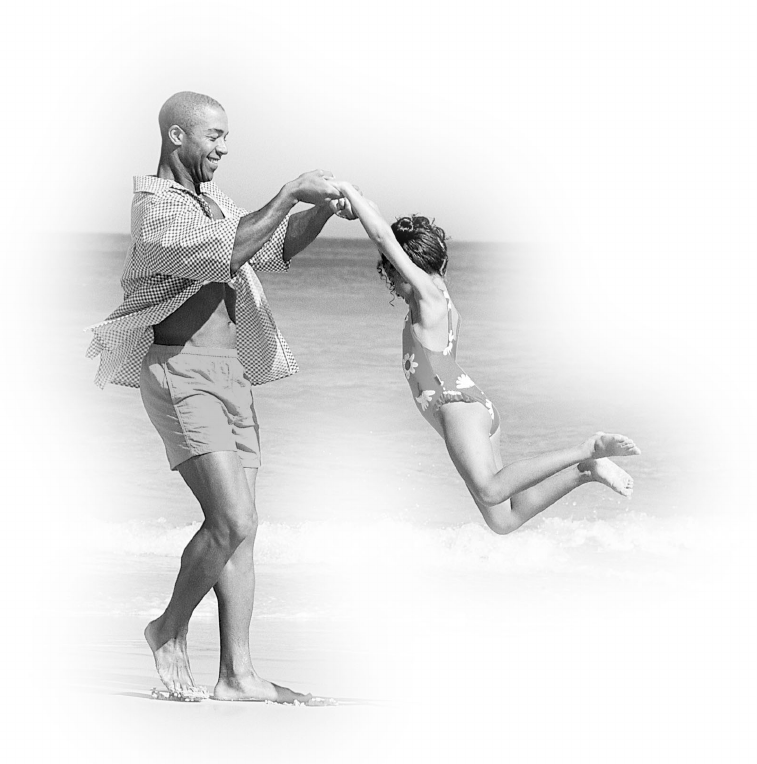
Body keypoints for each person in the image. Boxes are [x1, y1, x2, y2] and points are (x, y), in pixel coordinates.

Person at [87, 92, 355, 702]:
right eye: (215, 136)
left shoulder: (218, 205)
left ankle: (237, 675)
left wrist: (319, 212)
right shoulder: (155, 206)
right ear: (177, 136)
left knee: (243, 532)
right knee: (233, 519)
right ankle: (166, 628)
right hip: (180, 372)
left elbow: (272, 248)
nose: (224, 148)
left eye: (226, 136)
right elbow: (222, 254)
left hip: (231, 374)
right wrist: (289, 191)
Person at [331, 181, 641, 534]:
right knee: (503, 520)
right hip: (471, 407)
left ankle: (589, 448)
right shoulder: (441, 294)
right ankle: (587, 471)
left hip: (455, 407)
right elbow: (387, 233)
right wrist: (355, 204)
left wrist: (346, 190)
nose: (393, 286)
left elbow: (383, 237)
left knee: (490, 490)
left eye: (393, 275)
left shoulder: (428, 296)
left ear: (408, 268)